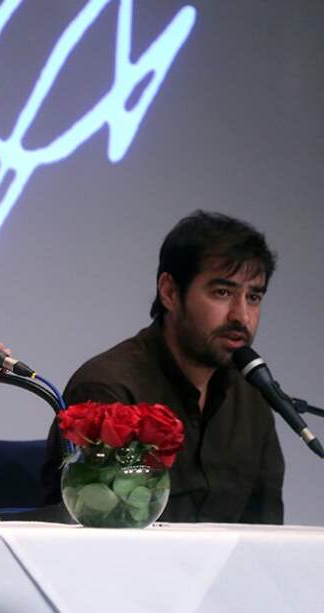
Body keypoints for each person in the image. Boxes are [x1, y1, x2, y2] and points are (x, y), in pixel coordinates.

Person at [41, 211, 285, 524]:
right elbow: (88, 530)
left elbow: (266, 531)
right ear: (169, 291)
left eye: (253, 296)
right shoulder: (108, 387)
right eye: (222, 292)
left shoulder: (252, 395)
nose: (242, 316)